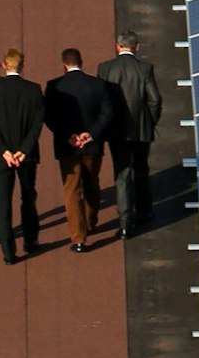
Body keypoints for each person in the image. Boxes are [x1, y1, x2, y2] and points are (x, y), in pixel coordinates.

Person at [0, 47, 45, 265]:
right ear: (22, 65)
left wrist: (4, 151)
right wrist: (24, 150)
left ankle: (8, 252)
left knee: (3, 202)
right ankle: (31, 240)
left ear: (3, 66)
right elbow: (37, 125)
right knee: (28, 197)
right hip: (26, 155)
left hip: (3, 157)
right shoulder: (34, 90)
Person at [44, 48, 110, 253]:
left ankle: (78, 237)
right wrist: (90, 134)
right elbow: (108, 113)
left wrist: (69, 136)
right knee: (92, 183)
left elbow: (49, 116)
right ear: (81, 62)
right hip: (92, 145)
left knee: (72, 190)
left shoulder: (54, 86)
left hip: (67, 147)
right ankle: (91, 221)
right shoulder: (98, 84)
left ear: (64, 65)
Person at [98, 30, 163, 238]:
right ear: (136, 47)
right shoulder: (145, 69)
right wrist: (150, 121)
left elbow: (102, 100)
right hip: (140, 128)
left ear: (117, 46)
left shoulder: (105, 68)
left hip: (116, 130)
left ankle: (125, 222)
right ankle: (144, 211)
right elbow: (155, 100)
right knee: (141, 168)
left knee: (122, 174)